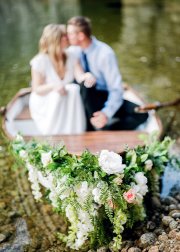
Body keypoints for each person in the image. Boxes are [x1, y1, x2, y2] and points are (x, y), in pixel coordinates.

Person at [67, 16, 148, 131]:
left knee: (141, 114)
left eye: (70, 34)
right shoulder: (72, 51)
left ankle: (107, 129)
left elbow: (115, 88)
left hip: (103, 96)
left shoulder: (105, 53)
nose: (67, 37)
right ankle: (90, 127)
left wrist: (106, 113)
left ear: (80, 35)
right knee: (86, 84)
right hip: (83, 99)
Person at [29, 24, 96, 135]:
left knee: (73, 89)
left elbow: (80, 76)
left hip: (64, 97)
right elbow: (36, 89)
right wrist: (53, 86)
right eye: (65, 35)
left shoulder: (72, 55)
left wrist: (87, 76)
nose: (68, 37)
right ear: (57, 39)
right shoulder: (39, 61)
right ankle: (53, 132)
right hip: (45, 99)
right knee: (59, 93)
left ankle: (74, 131)